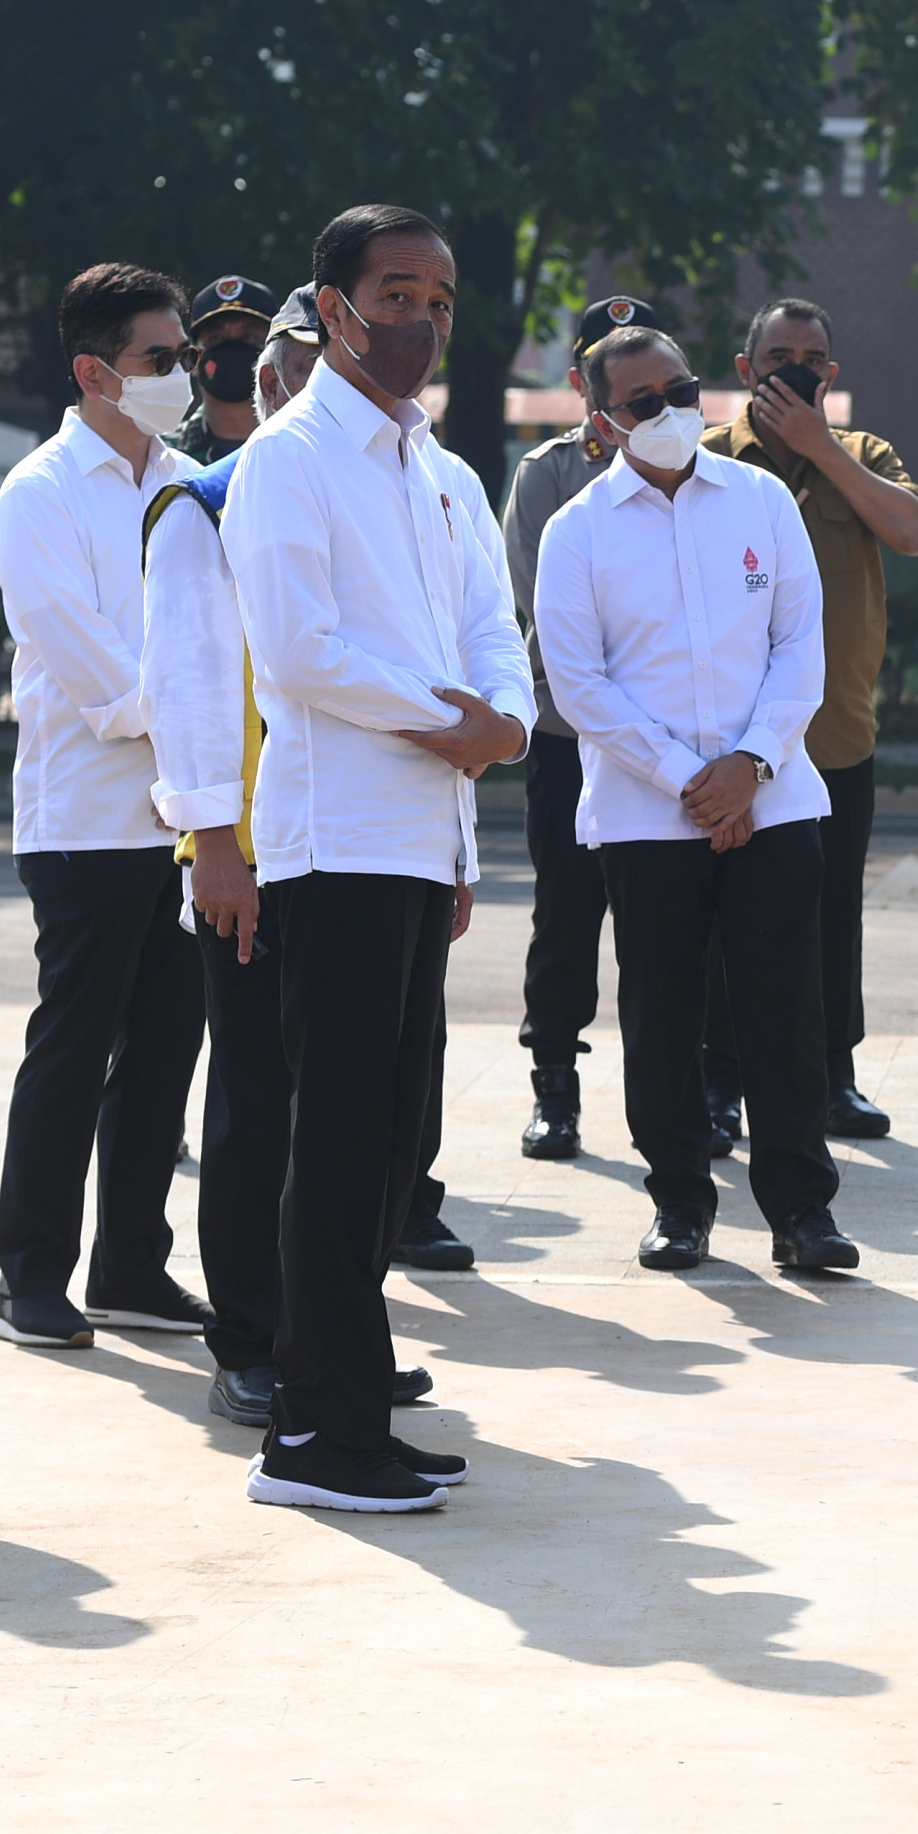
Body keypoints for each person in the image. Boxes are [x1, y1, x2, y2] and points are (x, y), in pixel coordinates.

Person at [223, 205, 532, 1512]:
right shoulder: (292, 460)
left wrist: (501, 718)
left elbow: (485, 621)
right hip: (334, 835)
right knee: (337, 1138)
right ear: (334, 302)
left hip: (417, 836)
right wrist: (450, 719)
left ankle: (352, 1397)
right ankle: (311, 1428)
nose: (421, 318)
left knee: (386, 1143)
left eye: (440, 298)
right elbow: (299, 652)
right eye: (395, 290)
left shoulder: (433, 467)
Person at [536, 323, 855, 1274]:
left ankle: (803, 1211)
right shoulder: (577, 529)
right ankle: (680, 1199)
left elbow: (802, 645)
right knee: (663, 1014)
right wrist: (690, 780)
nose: (674, 411)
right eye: (645, 401)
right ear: (601, 419)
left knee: (783, 1010)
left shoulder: (760, 500)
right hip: (648, 814)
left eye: (683, 389)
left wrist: (750, 767)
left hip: (775, 801)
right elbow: (578, 681)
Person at [0, 263, 211, 1349]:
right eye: (159, 360)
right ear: (92, 370)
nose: (182, 376)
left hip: (188, 824)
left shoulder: (195, 483)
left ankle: (132, 1267)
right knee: (73, 1052)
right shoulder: (39, 493)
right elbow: (105, 688)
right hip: (87, 822)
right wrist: (206, 719)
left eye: (185, 359)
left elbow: (226, 641)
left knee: (167, 1054)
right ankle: (29, 1273)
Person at [143, 285, 319, 1428]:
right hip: (254, 858)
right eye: (289, 364)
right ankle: (250, 1338)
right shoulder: (206, 504)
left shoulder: (410, 493)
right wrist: (215, 847)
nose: (310, 382)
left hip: (361, 852)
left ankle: (330, 1332)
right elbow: (194, 690)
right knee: (255, 1109)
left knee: (353, 1116)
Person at [700, 297, 918, 1141]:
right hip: (727, 743)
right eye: (779, 353)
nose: (796, 366)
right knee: (723, 919)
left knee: (832, 914)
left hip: (833, 735)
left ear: (831, 373)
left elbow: (910, 531)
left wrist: (821, 449)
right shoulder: (707, 459)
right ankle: (719, 1083)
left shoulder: (862, 455)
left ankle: (833, 1075)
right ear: (745, 368)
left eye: (813, 355)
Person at [501, 291, 655, 1162]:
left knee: (670, 922)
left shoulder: (696, 468)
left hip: (671, 745)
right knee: (566, 913)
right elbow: (540, 606)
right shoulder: (549, 473)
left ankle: (690, 1087)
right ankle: (554, 1083)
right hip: (569, 734)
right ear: (583, 381)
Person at [179, 273, 282, 461]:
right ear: (192, 359)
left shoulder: (306, 448)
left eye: (249, 336)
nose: (232, 349)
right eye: (215, 338)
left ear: (277, 352)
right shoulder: (164, 456)